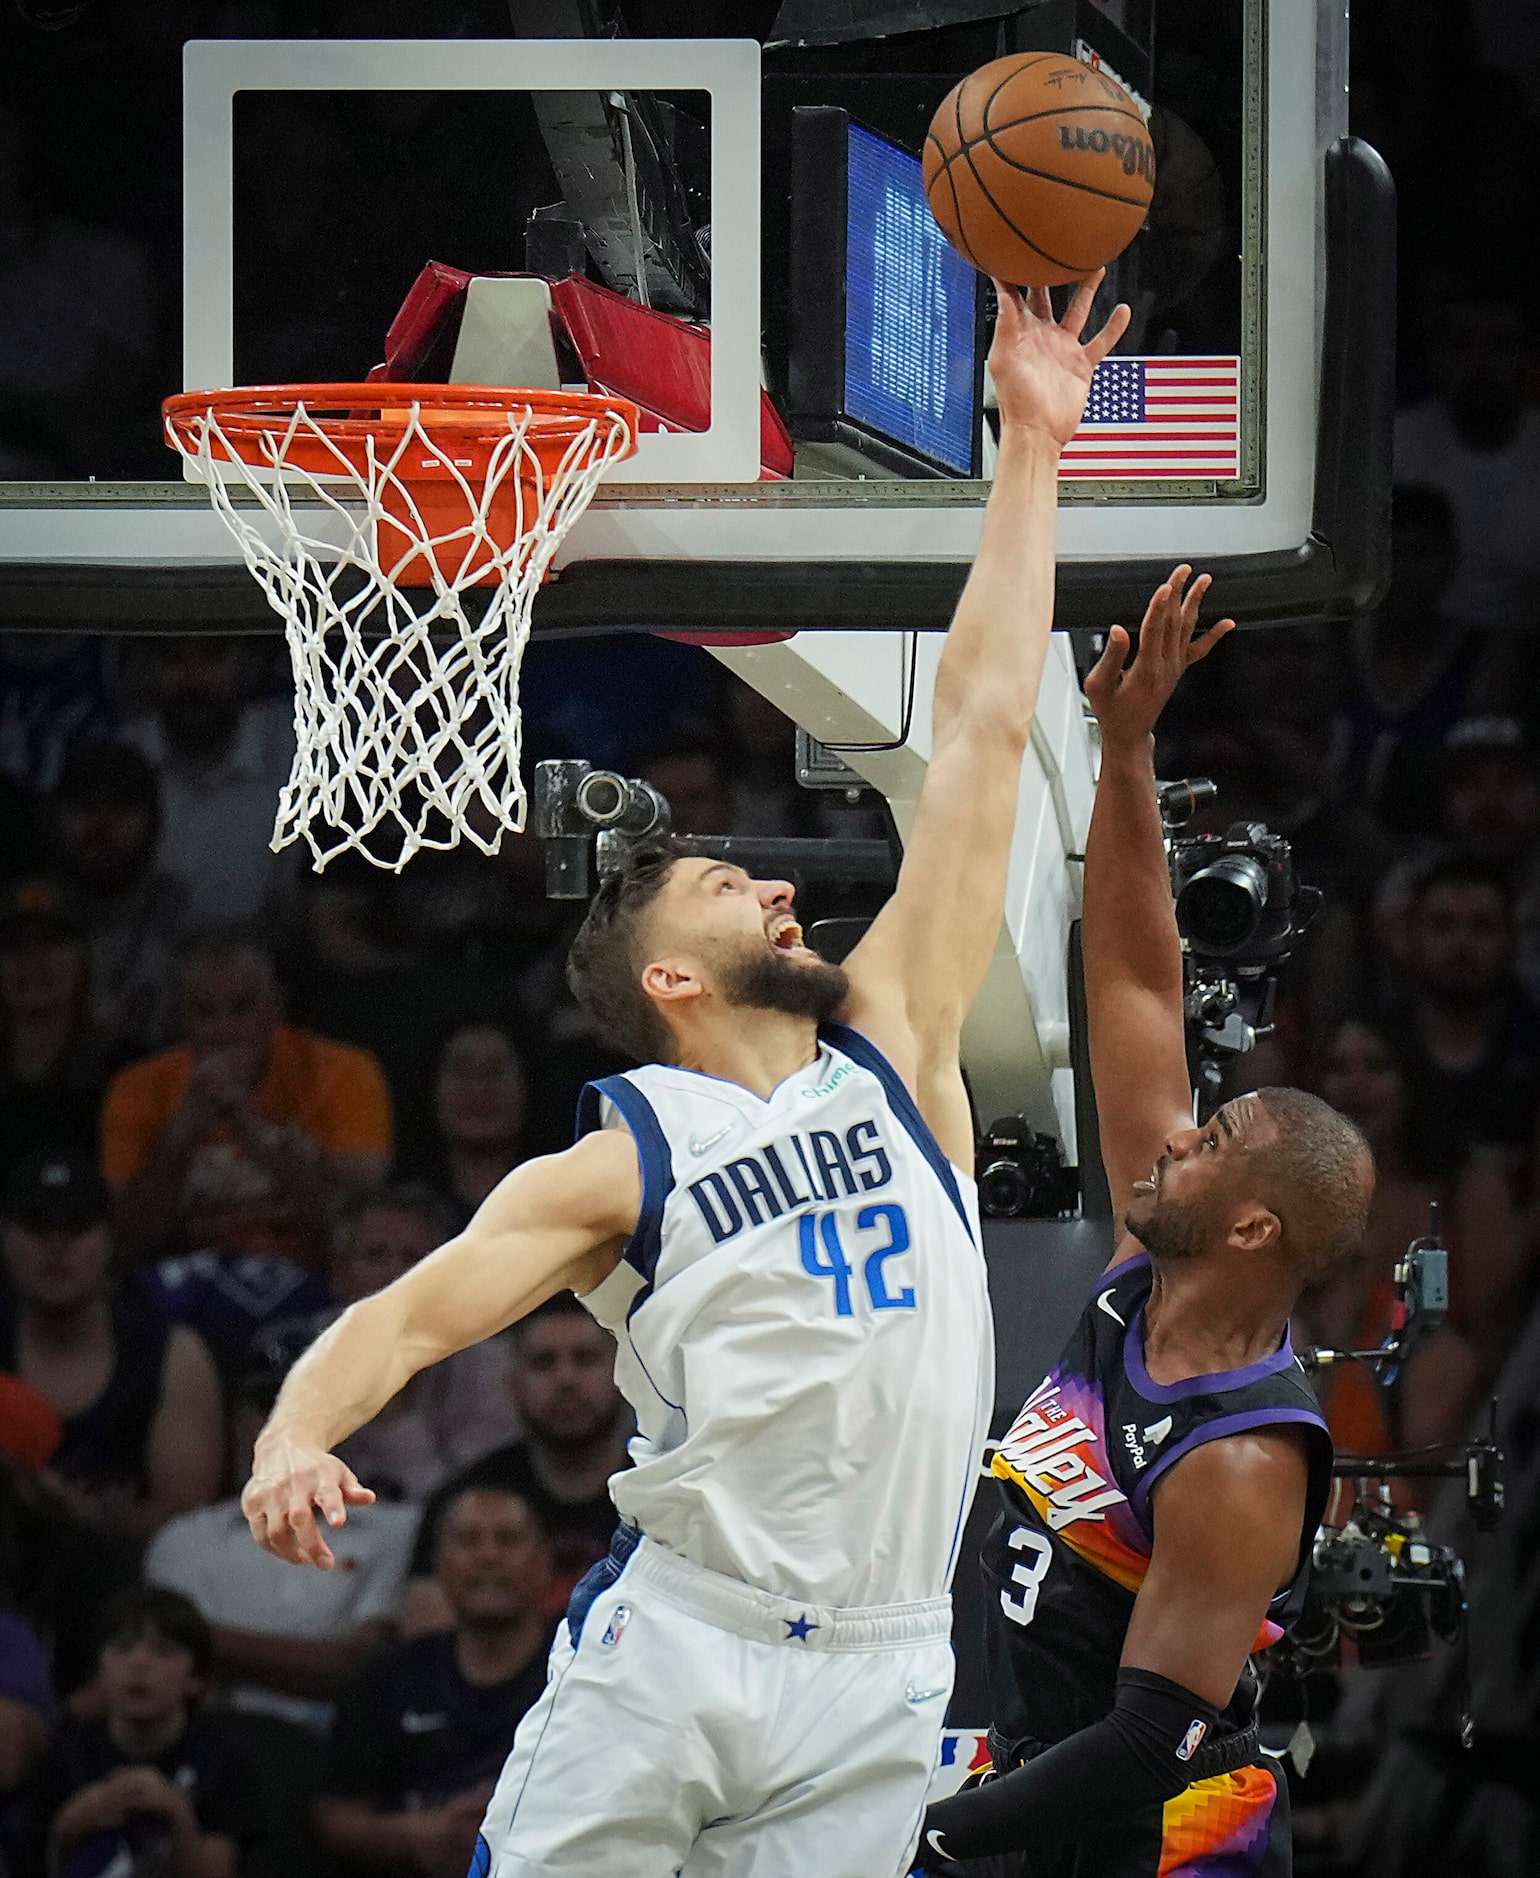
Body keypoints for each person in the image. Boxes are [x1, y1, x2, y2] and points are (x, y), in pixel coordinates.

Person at [240, 274, 1131, 1877]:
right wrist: (292, 1435)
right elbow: (404, 1314)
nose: (783, 888)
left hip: (883, 1662)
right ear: (663, 978)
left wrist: (1034, 446)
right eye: (735, 889)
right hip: (687, 1645)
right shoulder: (626, 1155)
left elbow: (986, 729)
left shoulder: (897, 1045)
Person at [916, 573, 1372, 1873]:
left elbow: (1144, 1740)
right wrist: (1126, 749)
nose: (1178, 1133)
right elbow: (1129, 978)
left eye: (1212, 1144)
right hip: (1053, 1793)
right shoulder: (1144, 1261)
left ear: (1253, 1231)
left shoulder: (1240, 1454)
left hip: (1167, 1841)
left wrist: (929, 1831)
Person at [145, 1351, 417, 1733]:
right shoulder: (186, 1540)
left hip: (351, 1744)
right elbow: (173, 1671)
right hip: (221, 1748)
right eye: (267, 1407)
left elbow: (364, 1665)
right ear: (238, 1424)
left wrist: (209, 1643)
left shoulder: (400, 1530)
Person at [101, 930, 392, 1265]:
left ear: (275, 1009)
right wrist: (181, 1136)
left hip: (312, 1278)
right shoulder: (138, 1087)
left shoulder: (344, 1072)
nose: (224, 1029)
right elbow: (124, 1241)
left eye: (242, 1007)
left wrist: (253, 1129)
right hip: (185, 1283)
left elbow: (354, 1234)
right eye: (205, 1013)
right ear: (182, 1020)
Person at [316, 1486, 555, 1878]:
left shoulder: (584, 1672)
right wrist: (417, 1834)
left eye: (508, 1540)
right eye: (468, 1541)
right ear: (439, 1565)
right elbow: (335, 1816)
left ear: (545, 1562)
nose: (488, 1555)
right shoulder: (386, 1676)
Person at [0, 1151, 224, 1541]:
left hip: (129, 1583)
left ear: (109, 1238)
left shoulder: (171, 1355)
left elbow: (188, 1524)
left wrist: (75, 1513)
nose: (56, 1245)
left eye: (76, 1227)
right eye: (37, 1227)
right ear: (6, 1238)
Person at [403, 1293, 630, 1628]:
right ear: (512, 1382)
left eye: (585, 1359)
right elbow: (430, 1649)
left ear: (622, 1374)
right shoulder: (462, 1503)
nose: (565, 1379)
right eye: (543, 1362)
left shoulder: (663, 1496)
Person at [24, 1588, 259, 1878]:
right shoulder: (68, 1751)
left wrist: (177, 1815)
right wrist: (69, 1826)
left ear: (196, 1679)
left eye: (163, 1651)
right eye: (122, 1648)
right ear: (100, 1670)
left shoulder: (222, 1757)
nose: (139, 1664)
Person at [310, 1186, 522, 1505]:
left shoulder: (490, 1367)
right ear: (340, 1274)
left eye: (414, 1258)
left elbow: (463, 1506)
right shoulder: (291, 1355)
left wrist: (395, 1412)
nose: (397, 1274)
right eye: (376, 1255)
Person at [119, 638, 298, 930]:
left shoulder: (292, 749)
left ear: (246, 665)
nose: (194, 677)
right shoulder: (124, 755)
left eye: (213, 657)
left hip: (265, 959)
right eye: (175, 659)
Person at [50, 740, 191, 1055]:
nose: (101, 825)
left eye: (121, 808)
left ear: (152, 820)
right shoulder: (28, 917)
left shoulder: (185, 923)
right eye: (84, 808)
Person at [0, 879, 124, 1171]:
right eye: (14, 944)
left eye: (50, 942)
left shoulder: (122, 1068)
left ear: (84, 959)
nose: (30, 960)